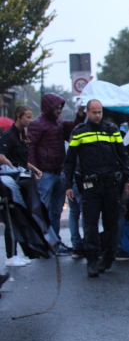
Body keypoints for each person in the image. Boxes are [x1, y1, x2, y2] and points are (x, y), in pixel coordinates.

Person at [64, 100, 129, 278]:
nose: (97, 115)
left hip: (111, 184)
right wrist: (68, 185)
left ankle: (108, 256)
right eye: (94, 112)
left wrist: (128, 179)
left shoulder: (112, 130)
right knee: (90, 224)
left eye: (99, 112)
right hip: (90, 185)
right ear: (87, 112)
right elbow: (70, 161)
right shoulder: (79, 132)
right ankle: (92, 261)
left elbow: (123, 155)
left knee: (111, 224)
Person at [27, 93, 85, 255]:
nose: (59, 111)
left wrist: (80, 114)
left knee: (55, 211)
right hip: (44, 173)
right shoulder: (38, 124)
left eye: (60, 108)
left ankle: (54, 243)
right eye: (57, 108)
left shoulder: (59, 123)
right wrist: (35, 170)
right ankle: (43, 243)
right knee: (43, 210)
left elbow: (75, 128)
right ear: (49, 108)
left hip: (58, 172)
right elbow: (30, 148)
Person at [0, 105, 43, 265]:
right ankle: (10, 256)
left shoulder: (22, 136)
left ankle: (15, 254)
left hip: (21, 181)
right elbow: (2, 157)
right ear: (18, 116)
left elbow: (22, 160)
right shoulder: (8, 136)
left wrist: (34, 169)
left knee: (19, 218)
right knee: (12, 218)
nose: (30, 121)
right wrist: (15, 171)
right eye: (28, 117)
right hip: (10, 182)